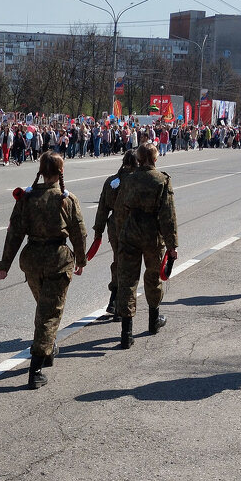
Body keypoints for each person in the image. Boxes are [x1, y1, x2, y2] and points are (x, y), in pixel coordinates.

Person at [0, 152, 87, 389]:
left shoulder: (27, 198)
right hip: (57, 260)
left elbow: (14, 233)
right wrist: (81, 259)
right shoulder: (66, 199)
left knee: (44, 307)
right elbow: (78, 231)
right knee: (49, 314)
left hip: (32, 260)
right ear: (60, 171)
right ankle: (35, 370)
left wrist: (4, 265)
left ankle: (47, 351)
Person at [113, 143, 178, 349]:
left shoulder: (129, 179)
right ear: (155, 159)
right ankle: (153, 320)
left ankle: (126, 332)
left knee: (127, 280)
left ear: (139, 158)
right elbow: (168, 215)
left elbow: (120, 209)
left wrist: (122, 234)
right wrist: (172, 245)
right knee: (153, 277)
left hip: (130, 231)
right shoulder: (162, 180)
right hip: (152, 234)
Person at [92, 150, 138, 318]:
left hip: (114, 227)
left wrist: (98, 231)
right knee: (129, 268)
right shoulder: (137, 181)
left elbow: (102, 209)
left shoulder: (112, 181)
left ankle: (113, 300)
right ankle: (121, 306)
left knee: (118, 262)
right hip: (134, 228)